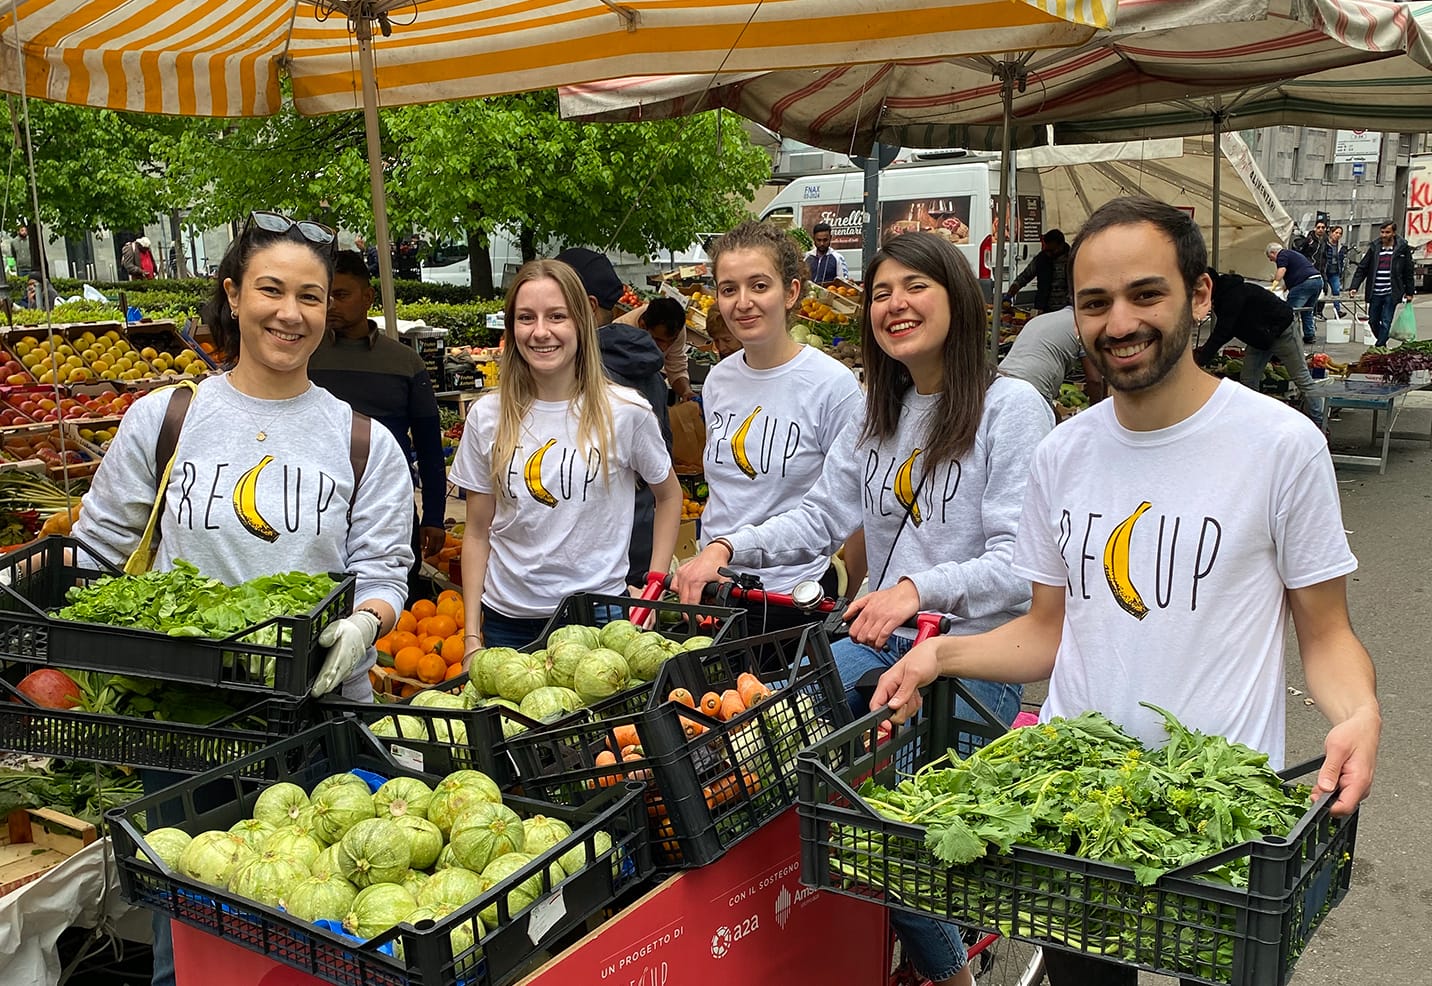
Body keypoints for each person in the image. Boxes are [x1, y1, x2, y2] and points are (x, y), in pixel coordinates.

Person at [874, 196, 1380, 986]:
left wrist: (1359, 715)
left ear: (1200, 296)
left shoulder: (1282, 446)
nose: (1120, 323)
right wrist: (941, 653)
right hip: (1079, 810)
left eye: (1146, 294)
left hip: (1218, 819)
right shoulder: (1061, 453)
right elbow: (1047, 631)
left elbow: (1325, 634)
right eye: (1095, 302)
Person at [677, 231, 1052, 986]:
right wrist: (726, 547)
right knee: (762, 745)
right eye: (880, 293)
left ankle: (955, 977)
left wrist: (919, 589)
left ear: (957, 297)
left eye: (915, 287)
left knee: (887, 834)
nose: (894, 305)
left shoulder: (1011, 409)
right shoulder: (879, 409)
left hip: (970, 658)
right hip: (876, 643)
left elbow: (1020, 569)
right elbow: (819, 517)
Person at [73, 211, 416, 986]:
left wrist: (367, 623)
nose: (289, 313)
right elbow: (94, 554)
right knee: (190, 949)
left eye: (311, 296)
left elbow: (386, 571)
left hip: (319, 723)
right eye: (270, 290)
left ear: (330, 309)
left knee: (326, 940)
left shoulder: (363, 441)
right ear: (233, 294)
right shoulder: (168, 418)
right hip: (186, 728)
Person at [449, 259, 680, 650]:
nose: (541, 332)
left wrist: (654, 584)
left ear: (581, 322)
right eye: (526, 317)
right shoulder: (488, 416)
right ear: (511, 328)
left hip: (601, 620)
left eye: (557, 316)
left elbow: (670, 496)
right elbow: (476, 531)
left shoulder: (625, 411)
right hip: (510, 623)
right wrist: (473, 636)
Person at [672, 219, 863, 629]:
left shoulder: (833, 386)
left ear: (791, 292)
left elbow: (850, 507)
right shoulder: (720, 379)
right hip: (717, 590)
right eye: (729, 289)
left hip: (790, 598)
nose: (743, 302)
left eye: (759, 286)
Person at [308, 250, 448, 599]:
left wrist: (433, 515)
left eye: (341, 295)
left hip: (391, 508)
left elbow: (430, 446)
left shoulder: (405, 363)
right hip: (317, 508)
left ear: (368, 297)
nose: (331, 305)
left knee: (394, 602)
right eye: (325, 295)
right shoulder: (304, 359)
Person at [556, 246, 675, 590]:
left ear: (588, 306)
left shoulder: (581, 373)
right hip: (637, 540)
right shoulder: (650, 371)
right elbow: (660, 459)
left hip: (587, 556)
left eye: (557, 308)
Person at [1195, 267, 1323, 424]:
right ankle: (1254, 423)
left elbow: (1224, 330)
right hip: (1259, 337)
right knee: (1248, 380)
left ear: (1210, 284)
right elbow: (1228, 330)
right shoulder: (1223, 296)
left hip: (1282, 332)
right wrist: (1203, 354)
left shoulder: (1232, 295)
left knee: (1302, 378)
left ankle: (1320, 424)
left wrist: (1201, 359)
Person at [997, 305, 1104, 404]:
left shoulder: (1043, 319)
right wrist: (1097, 413)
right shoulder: (1082, 325)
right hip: (1034, 385)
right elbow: (1094, 380)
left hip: (1001, 380)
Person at [1349, 220, 1416, 347]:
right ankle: (1382, 343)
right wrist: (1354, 286)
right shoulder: (1375, 248)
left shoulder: (1402, 248)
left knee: (1386, 321)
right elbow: (1362, 268)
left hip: (1391, 292)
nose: (1384, 235)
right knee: (1373, 321)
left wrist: (1409, 292)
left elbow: (1408, 271)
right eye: (1382, 232)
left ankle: (1379, 346)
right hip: (1375, 291)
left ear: (1394, 233)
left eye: (1387, 232)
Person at [637, 296, 696, 401]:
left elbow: (676, 367)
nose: (664, 348)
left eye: (671, 341)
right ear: (643, 326)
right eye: (659, 340)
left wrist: (686, 391)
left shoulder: (676, 328)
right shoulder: (621, 331)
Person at [1266, 240, 1322, 345]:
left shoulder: (1282, 255)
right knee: (1307, 310)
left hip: (1304, 283)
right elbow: (1293, 276)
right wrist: (1282, 289)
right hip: (1317, 280)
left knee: (1290, 311)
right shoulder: (1293, 255)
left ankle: (1290, 337)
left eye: (1270, 257)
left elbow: (1282, 270)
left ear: (1273, 252)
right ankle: (1309, 335)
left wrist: (1274, 285)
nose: (1270, 260)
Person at [1003, 228, 1070, 313]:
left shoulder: (1072, 260)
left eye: (1051, 250)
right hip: (1043, 309)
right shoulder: (1041, 259)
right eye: (1046, 250)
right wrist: (1009, 296)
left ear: (1061, 246)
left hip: (1065, 310)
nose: (1048, 253)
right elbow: (1024, 277)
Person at [1300, 218, 1331, 317]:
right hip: (1310, 269)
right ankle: (1307, 310)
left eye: (1323, 227)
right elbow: (1302, 251)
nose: (1320, 229)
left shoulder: (1325, 240)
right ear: (1314, 228)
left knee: (1324, 289)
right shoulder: (1310, 239)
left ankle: (1318, 312)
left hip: (1321, 269)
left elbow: (1325, 253)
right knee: (1310, 290)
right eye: (1318, 227)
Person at [1325, 225, 1348, 318]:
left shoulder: (1340, 246)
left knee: (1336, 291)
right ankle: (1317, 312)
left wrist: (1341, 272)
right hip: (1325, 271)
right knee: (1323, 291)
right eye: (1336, 232)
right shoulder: (1325, 244)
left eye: (1340, 233)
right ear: (1331, 233)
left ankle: (1337, 311)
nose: (1338, 235)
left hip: (1335, 272)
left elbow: (1341, 260)